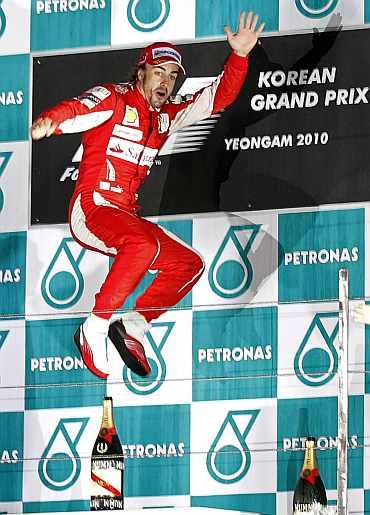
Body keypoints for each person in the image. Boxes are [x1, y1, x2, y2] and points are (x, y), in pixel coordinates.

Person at [31, 11, 265, 379]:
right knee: (141, 245)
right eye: (159, 72)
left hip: (125, 215)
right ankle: (93, 328)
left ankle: (133, 326)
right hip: (92, 207)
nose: (166, 82)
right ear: (140, 72)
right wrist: (50, 121)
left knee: (189, 264)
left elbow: (217, 98)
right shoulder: (115, 98)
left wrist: (239, 56)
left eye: (173, 76)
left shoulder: (167, 116)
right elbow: (78, 109)